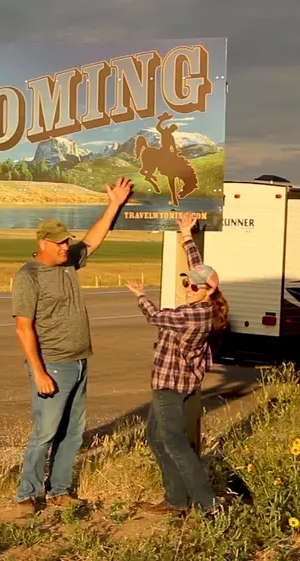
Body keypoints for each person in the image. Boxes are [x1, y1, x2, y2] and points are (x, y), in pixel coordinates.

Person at [10, 176, 133, 514]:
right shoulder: (28, 276)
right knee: (45, 432)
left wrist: (114, 205)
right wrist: (38, 372)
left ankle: (59, 490)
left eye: (68, 242)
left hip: (79, 360)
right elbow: (23, 328)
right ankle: (27, 494)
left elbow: (94, 240)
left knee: (72, 433)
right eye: (61, 243)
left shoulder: (68, 262)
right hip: (53, 364)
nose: (67, 246)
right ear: (44, 243)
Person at [124, 214, 230, 517]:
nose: (189, 287)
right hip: (175, 382)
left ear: (209, 292)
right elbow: (199, 269)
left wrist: (142, 297)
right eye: (187, 282)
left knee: (173, 441)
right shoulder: (202, 302)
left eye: (195, 287)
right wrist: (187, 237)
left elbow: (156, 317)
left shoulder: (197, 315)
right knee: (157, 439)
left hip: (171, 384)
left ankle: (209, 505)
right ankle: (175, 500)